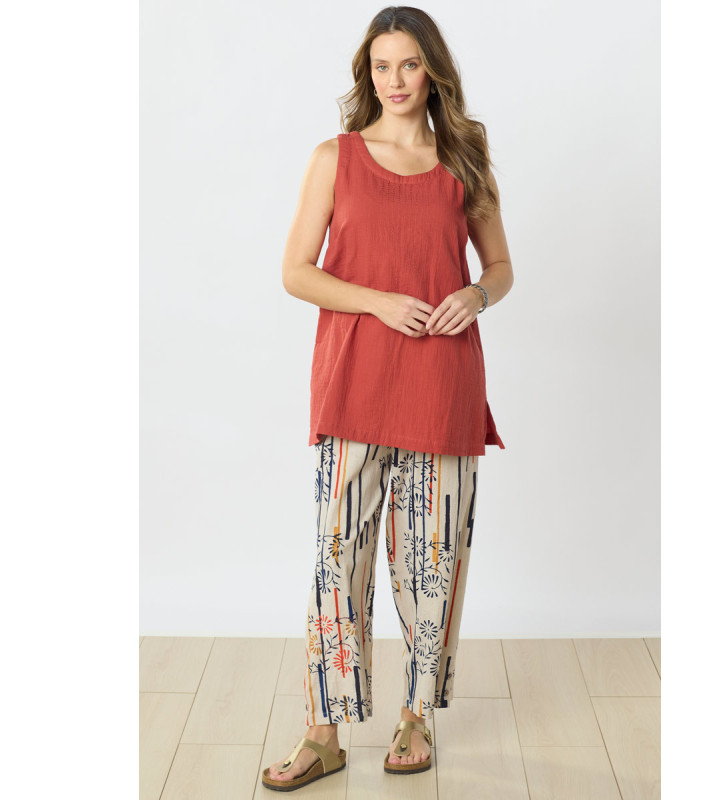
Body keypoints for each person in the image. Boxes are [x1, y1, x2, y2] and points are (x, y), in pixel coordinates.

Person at [263, 5, 513, 792]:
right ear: (366, 74)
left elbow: (500, 266)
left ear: (432, 71)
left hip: (443, 384)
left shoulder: (464, 158)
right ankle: (323, 734)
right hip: (354, 385)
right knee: (337, 558)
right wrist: (375, 301)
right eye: (381, 66)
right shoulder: (335, 158)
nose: (394, 80)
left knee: (432, 564)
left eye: (408, 65)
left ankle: (415, 716)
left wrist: (475, 294)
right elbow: (296, 271)